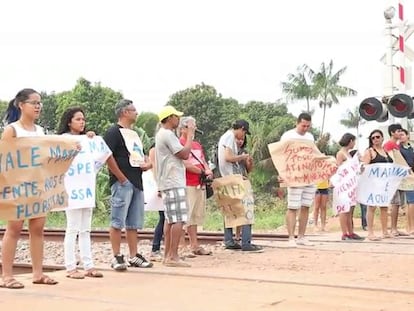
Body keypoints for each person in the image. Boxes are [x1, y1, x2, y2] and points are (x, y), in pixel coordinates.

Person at [1, 88, 58, 289]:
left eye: (39, 102)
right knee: (14, 228)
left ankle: (38, 273)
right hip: (18, 188)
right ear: (21, 105)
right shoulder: (12, 130)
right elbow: (4, 159)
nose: (38, 106)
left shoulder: (41, 131)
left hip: (38, 187)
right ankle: (6, 276)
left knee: (37, 228)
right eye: (34, 102)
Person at [57, 107, 114, 279]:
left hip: (86, 189)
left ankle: (88, 265)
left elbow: (100, 155)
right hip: (73, 190)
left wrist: (91, 139)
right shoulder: (63, 140)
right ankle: (70, 267)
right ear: (69, 121)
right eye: (78, 119)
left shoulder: (88, 139)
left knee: (85, 229)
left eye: (83, 119)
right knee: (72, 228)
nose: (82, 122)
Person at [103, 99, 153, 271]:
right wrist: (120, 177)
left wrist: (147, 163)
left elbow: (140, 154)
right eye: (133, 110)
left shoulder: (134, 134)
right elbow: (106, 155)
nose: (136, 113)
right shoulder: (113, 132)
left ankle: (134, 255)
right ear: (124, 112)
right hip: (122, 182)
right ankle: (116, 256)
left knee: (134, 222)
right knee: (117, 220)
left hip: (137, 181)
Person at [155, 105, 195, 267]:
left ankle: (167, 255)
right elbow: (184, 154)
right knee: (178, 219)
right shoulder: (167, 134)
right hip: (173, 181)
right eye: (176, 117)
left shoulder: (162, 134)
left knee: (169, 219)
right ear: (170, 118)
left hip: (168, 181)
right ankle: (173, 256)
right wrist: (190, 135)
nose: (178, 120)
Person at [218, 119, 263, 252]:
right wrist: (242, 157)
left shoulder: (226, 137)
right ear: (241, 129)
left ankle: (229, 240)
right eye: (243, 133)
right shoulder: (230, 136)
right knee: (246, 209)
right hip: (234, 178)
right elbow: (228, 157)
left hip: (226, 178)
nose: (242, 137)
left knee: (230, 211)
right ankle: (246, 242)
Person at [179, 116, 213, 256]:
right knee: (184, 216)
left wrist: (208, 170)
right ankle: (181, 246)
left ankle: (194, 245)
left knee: (195, 216)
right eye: (191, 127)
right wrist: (201, 171)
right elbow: (184, 164)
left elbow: (203, 160)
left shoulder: (197, 145)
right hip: (188, 183)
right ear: (183, 129)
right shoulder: (179, 143)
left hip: (199, 183)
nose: (194, 130)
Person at [280, 113, 315, 247]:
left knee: (306, 205)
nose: (305, 128)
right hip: (294, 175)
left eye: (308, 126)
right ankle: (290, 237)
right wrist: (282, 173)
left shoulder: (310, 137)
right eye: (303, 125)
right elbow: (281, 155)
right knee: (293, 206)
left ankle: (301, 236)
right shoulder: (288, 136)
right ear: (297, 123)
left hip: (308, 175)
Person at [362, 129, 392, 241]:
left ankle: (385, 231)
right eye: (373, 137)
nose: (375, 139)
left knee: (384, 207)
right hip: (373, 183)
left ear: (382, 138)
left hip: (385, 184)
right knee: (372, 207)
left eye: (377, 137)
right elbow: (365, 167)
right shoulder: (369, 152)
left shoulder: (386, 152)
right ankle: (370, 232)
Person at [335, 133, 364, 241]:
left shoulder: (349, 154)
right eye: (354, 141)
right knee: (344, 209)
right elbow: (339, 169)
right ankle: (344, 233)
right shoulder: (340, 153)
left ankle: (351, 232)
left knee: (350, 209)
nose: (354, 143)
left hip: (351, 185)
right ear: (350, 141)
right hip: (344, 185)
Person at [383, 123, 407, 237]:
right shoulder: (389, 145)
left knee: (398, 204)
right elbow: (390, 160)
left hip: (399, 178)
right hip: (392, 178)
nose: (399, 133)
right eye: (398, 131)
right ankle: (392, 228)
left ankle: (395, 228)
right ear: (392, 132)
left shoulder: (397, 146)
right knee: (394, 203)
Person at [398, 129, 414, 235]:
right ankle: (410, 227)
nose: (401, 137)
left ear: (408, 136)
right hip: (407, 177)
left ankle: (410, 227)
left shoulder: (411, 147)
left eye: (402, 134)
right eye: (399, 135)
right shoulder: (398, 149)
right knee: (411, 202)